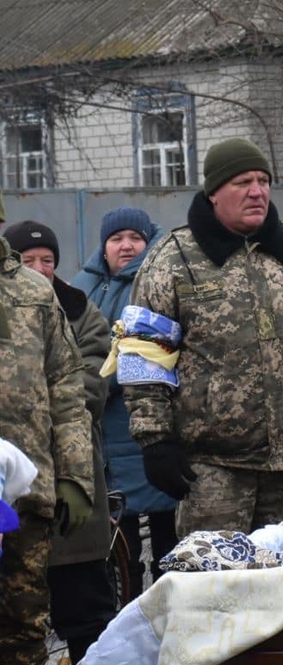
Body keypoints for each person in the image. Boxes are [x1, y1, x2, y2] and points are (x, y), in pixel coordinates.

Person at [126, 138, 283, 536]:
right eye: (242, 182)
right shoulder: (172, 261)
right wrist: (155, 441)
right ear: (214, 193)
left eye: (263, 180)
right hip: (213, 473)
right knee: (216, 590)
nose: (257, 191)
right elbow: (144, 356)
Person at [2, 221, 114, 662]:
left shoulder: (33, 294)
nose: (40, 266)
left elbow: (69, 392)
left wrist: (75, 477)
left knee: (24, 631)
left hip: (29, 499)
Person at [71, 207, 178, 596]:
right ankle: (129, 610)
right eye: (116, 239)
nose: (126, 246)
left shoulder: (160, 282)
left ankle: (168, 608)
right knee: (121, 537)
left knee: (169, 534)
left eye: (135, 237)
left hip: (152, 428)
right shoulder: (81, 286)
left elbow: (148, 352)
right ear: (103, 246)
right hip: (105, 436)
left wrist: (96, 378)